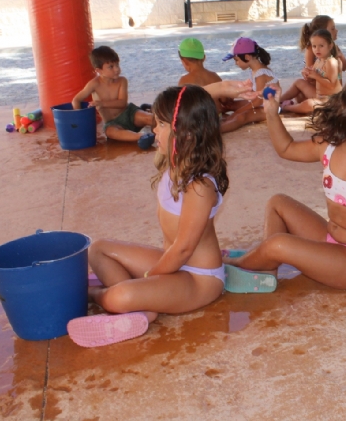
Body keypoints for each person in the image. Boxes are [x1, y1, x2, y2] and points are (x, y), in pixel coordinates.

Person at [66, 85, 238, 347]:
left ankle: (102, 295)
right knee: (97, 249)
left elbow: (182, 249)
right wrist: (224, 88)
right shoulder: (175, 162)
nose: (153, 130)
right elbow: (190, 101)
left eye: (160, 124)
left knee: (116, 298)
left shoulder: (200, 187)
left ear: (185, 132)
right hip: (170, 264)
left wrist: (150, 278)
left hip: (198, 279)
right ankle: (144, 306)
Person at [223, 76, 346, 290]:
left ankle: (237, 264)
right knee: (278, 203)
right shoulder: (328, 146)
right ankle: (266, 270)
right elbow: (286, 148)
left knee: (279, 244)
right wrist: (272, 113)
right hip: (331, 238)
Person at [72, 45, 155, 149]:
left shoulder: (122, 81)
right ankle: (142, 137)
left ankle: (160, 121)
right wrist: (79, 122)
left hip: (129, 113)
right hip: (113, 123)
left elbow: (122, 103)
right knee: (110, 132)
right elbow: (76, 100)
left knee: (150, 119)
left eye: (117, 64)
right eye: (111, 67)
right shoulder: (94, 84)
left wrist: (101, 104)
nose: (116, 69)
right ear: (99, 70)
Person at [203, 37, 279, 133]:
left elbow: (258, 102)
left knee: (241, 117)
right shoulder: (255, 70)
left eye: (236, 60)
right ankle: (222, 120)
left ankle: (213, 131)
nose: (236, 63)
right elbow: (253, 94)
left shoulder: (261, 74)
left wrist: (237, 113)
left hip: (269, 108)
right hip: (262, 104)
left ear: (247, 57)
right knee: (230, 106)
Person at [280, 15, 346, 105]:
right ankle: (280, 101)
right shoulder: (311, 49)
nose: (336, 31)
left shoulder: (333, 47)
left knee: (299, 85)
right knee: (299, 94)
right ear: (322, 31)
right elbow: (310, 75)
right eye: (332, 29)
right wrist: (307, 73)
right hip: (319, 86)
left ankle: (278, 102)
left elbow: (344, 68)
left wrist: (340, 56)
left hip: (327, 91)